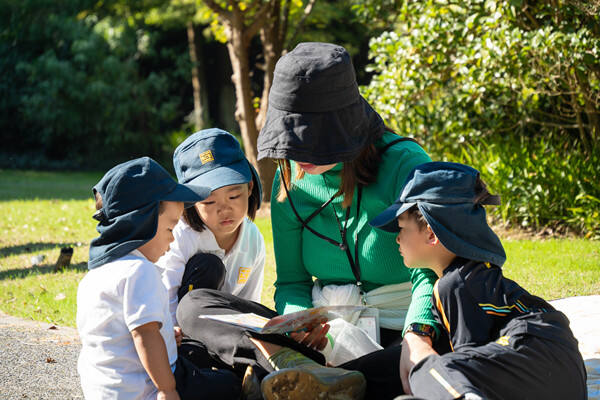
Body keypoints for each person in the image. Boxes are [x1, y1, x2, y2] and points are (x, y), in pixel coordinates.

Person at [175, 42, 438, 400]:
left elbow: (432, 272)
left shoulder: (405, 164)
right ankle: (303, 372)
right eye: (291, 138)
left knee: (436, 356)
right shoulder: (290, 182)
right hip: (319, 340)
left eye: (312, 139)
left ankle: (310, 383)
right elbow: (293, 284)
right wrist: (298, 325)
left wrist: (418, 337)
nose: (298, 154)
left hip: (404, 332)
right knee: (195, 306)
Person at [370, 161, 588, 400]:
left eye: (401, 228)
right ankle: (341, 376)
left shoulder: (456, 282)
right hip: (557, 370)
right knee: (411, 358)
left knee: (427, 369)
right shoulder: (467, 276)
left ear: (431, 234)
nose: (397, 239)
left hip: (535, 351)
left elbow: (466, 363)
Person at [76, 157, 241, 400]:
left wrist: (165, 334)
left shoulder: (95, 276)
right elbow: (144, 335)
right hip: (146, 388)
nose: (172, 240)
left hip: (105, 390)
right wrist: (167, 389)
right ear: (143, 223)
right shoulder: (139, 271)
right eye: (169, 229)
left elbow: (116, 336)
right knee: (229, 386)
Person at [157, 128, 265, 327]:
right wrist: (172, 337)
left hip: (226, 329)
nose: (224, 209)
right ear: (190, 202)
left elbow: (249, 303)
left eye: (233, 196)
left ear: (250, 187)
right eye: (209, 202)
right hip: (185, 330)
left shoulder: (253, 238)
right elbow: (166, 297)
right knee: (208, 266)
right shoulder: (179, 236)